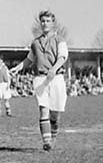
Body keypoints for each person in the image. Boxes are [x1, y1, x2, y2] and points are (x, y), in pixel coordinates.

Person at [10, 10, 68, 152]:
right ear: (40, 23)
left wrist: (53, 69)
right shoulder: (35, 43)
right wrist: (18, 67)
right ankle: (46, 142)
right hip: (40, 78)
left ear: (53, 23)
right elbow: (29, 59)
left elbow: (62, 57)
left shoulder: (59, 40)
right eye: (43, 21)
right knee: (43, 109)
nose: (45, 23)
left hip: (56, 78)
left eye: (48, 21)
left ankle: (53, 136)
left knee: (55, 112)